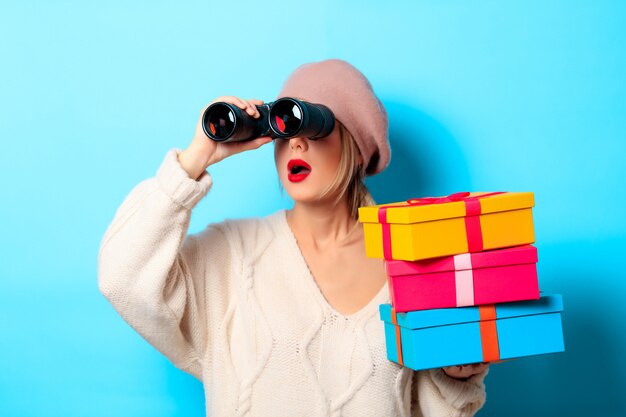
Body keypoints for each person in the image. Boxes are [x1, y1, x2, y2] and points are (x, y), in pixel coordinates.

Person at [98, 59, 489, 417]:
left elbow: (431, 409)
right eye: (282, 128)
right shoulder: (230, 255)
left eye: (310, 125)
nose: (295, 143)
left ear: (357, 150)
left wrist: (457, 377)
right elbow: (122, 278)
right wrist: (195, 158)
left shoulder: (416, 258)